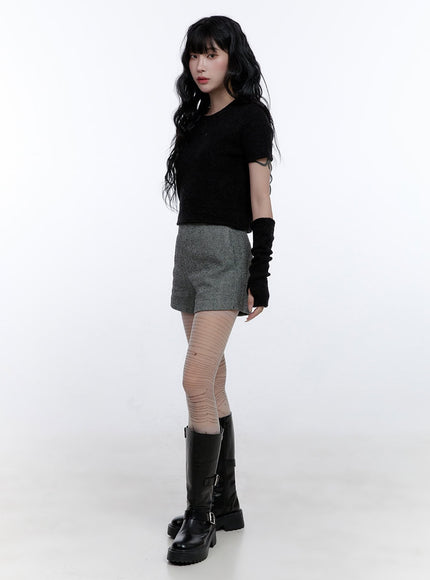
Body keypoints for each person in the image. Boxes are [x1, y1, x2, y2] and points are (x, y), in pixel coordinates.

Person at [162, 15, 277, 565]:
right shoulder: (193, 119)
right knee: (214, 377)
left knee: (194, 378)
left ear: (233, 58)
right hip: (188, 252)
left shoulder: (251, 116)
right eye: (194, 55)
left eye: (212, 53)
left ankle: (198, 516)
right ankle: (224, 505)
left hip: (228, 254)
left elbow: (261, 200)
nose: (201, 65)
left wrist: (260, 274)